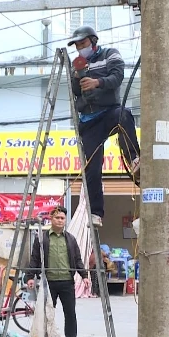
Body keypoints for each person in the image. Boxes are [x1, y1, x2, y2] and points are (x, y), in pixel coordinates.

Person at [68, 25, 141, 228]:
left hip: (109, 111)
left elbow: (117, 77)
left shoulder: (111, 55)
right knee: (92, 168)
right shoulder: (77, 64)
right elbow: (75, 91)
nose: (80, 48)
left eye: (82, 44)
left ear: (93, 40)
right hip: (89, 120)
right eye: (77, 45)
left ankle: (133, 158)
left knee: (124, 116)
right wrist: (77, 78)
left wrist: (97, 82)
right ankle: (96, 213)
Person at [26, 206, 90, 337]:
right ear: (51, 218)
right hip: (49, 283)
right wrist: (30, 277)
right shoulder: (42, 238)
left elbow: (77, 260)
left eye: (62, 218)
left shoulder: (71, 239)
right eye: (57, 218)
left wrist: (85, 276)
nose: (60, 220)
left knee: (70, 313)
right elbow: (35, 259)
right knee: (47, 313)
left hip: (67, 282)